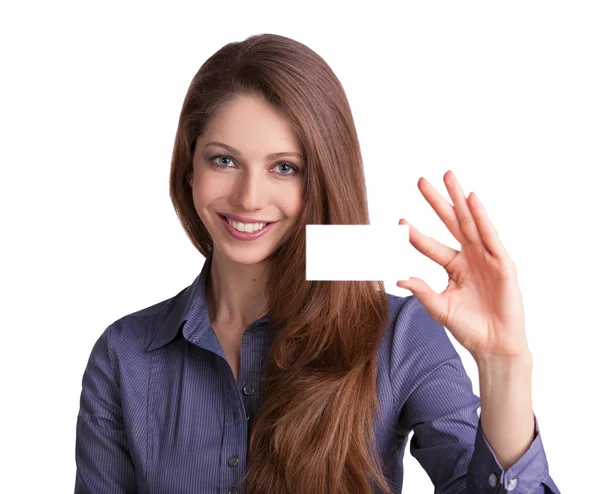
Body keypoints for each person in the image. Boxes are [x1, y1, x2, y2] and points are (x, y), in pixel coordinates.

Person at [74, 33, 561, 494]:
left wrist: (505, 365)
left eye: (284, 168)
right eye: (224, 160)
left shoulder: (400, 334)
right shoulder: (124, 356)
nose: (248, 197)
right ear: (189, 168)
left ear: (323, 181)